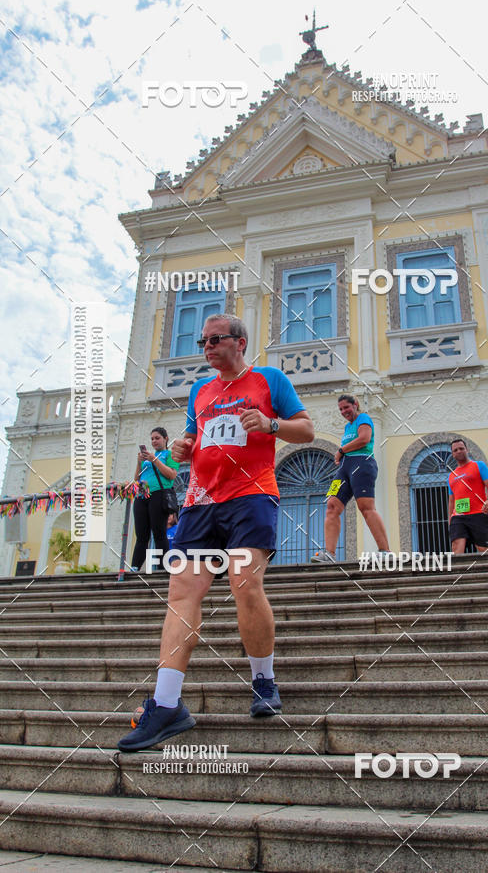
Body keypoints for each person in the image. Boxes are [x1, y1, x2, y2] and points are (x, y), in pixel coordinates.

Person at [117, 313, 314, 751]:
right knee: (182, 591)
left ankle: (263, 680)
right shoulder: (200, 391)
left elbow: (306, 429)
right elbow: (191, 442)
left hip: (252, 494)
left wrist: (271, 425)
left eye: (215, 339)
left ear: (240, 342)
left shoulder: (269, 380)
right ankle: (167, 704)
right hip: (201, 500)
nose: (206, 347)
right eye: (202, 341)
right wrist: (184, 447)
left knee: (244, 582)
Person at [310, 394, 390, 563]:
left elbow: (364, 438)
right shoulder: (348, 427)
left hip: (362, 464)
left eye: (346, 407)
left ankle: (385, 551)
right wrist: (342, 454)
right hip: (344, 469)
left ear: (355, 405)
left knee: (366, 507)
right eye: (340, 409)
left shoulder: (363, 418)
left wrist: (341, 450)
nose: (343, 411)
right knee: (331, 505)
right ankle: (329, 554)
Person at [118, 427, 179, 581]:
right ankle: (135, 566)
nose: (154, 441)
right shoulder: (147, 459)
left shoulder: (169, 454)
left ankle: (163, 567)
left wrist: (155, 460)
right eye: (152, 439)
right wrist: (139, 463)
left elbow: (171, 475)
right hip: (142, 495)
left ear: (165, 438)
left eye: (157, 438)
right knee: (141, 534)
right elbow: (137, 480)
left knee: (159, 533)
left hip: (159, 494)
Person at [447, 439, 488, 554]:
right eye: (455, 450)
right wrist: (450, 519)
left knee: (482, 549)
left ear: (467, 450)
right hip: (458, 516)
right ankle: (460, 567)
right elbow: (452, 500)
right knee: (457, 547)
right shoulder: (451, 475)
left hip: (479, 513)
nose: (459, 451)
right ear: (452, 454)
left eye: (461, 448)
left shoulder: (479, 465)